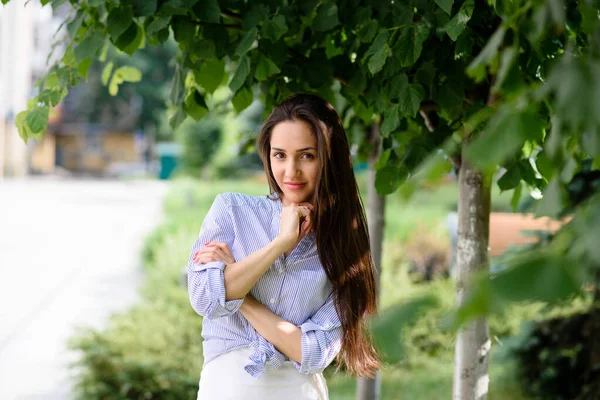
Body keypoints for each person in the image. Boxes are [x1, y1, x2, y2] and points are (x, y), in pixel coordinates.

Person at [187, 93, 380, 400]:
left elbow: (313, 352)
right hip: (226, 388)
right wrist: (279, 245)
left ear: (329, 158)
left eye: (307, 156)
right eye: (280, 155)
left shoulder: (344, 247)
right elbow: (204, 298)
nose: (291, 171)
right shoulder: (232, 211)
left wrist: (239, 294)